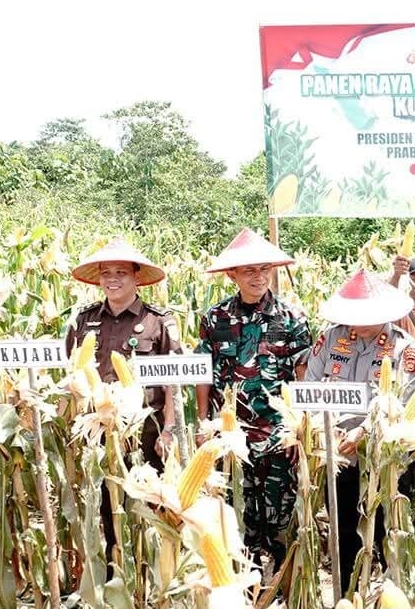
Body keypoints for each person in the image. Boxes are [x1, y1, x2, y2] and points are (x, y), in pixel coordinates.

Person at [64, 237, 182, 576]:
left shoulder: (160, 322)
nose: (112, 279)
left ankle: (151, 575)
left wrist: (170, 429)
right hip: (99, 429)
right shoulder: (83, 321)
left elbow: (174, 382)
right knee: (107, 503)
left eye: (120, 272)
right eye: (105, 273)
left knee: (149, 504)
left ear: (136, 277)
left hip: (147, 431)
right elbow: (72, 374)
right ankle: (119, 573)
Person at [196, 228, 312, 568]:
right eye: (248, 270)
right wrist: (205, 422)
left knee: (280, 514)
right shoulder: (214, 319)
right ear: (232, 274)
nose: (258, 277)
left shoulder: (292, 319)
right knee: (234, 513)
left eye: (264, 269)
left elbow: (302, 376)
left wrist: (298, 428)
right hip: (231, 435)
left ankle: (280, 582)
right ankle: (240, 581)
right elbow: (204, 373)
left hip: (277, 433)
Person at [305, 268, 415, 591]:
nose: (361, 320)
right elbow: (311, 387)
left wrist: (365, 433)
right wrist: (326, 430)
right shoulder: (330, 339)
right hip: (339, 458)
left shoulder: (403, 349)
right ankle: (347, 596)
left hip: (385, 464)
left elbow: (403, 402)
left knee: (386, 539)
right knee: (344, 538)